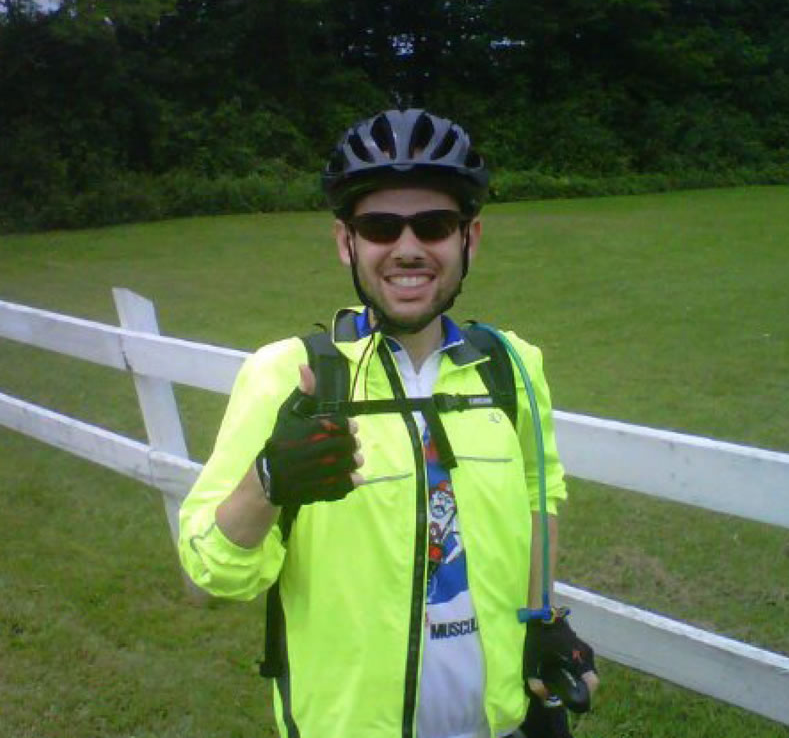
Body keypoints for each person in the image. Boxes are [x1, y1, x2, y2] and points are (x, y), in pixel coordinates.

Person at [178, 108, 598, 738]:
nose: (407, 249)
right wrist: (267, 482)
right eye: (380, 226)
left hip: (504, 726)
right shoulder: (287, 376)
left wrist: (542, 619)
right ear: (347, 242)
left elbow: (541, 497)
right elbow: (208, 575)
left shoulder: (510, 366)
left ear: (469, 239)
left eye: (433, 225)